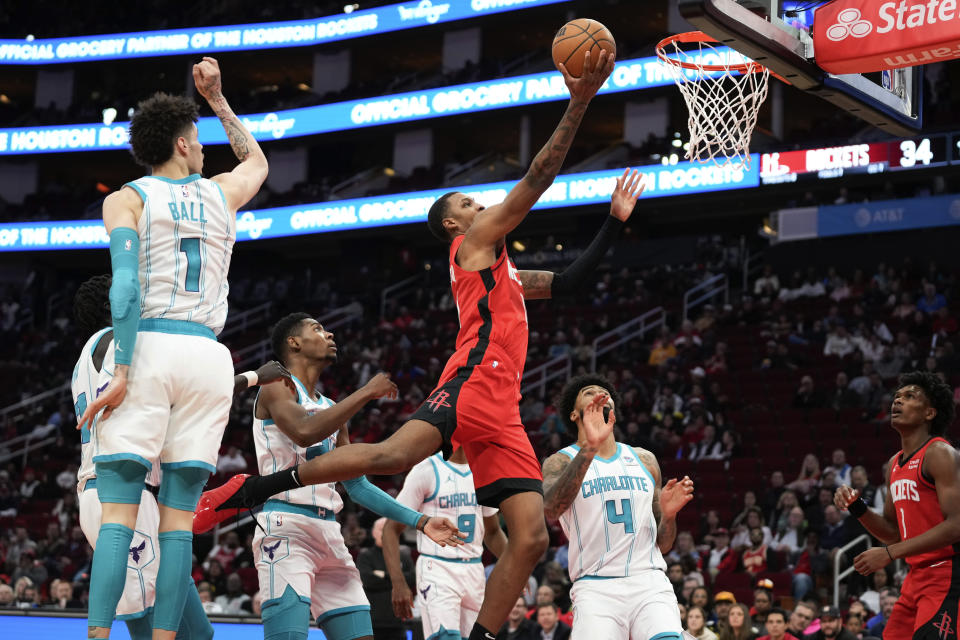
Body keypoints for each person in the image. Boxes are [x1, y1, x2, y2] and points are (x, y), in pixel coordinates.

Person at [195, 49, 625, 640]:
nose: (481, 207)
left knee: (530, 537)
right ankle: (255, 488)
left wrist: (616, 222)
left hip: (503, 404)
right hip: (472, 381)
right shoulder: (473, 244)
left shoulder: (506, 276)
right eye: (471, 204)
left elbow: (572, 281)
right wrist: (580, 102)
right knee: (392, 457)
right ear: (456, 225)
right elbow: (536, 181)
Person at [74, 56, 269, 640]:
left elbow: (127, 290)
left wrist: (124, 368)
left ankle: (97, 636)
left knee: (118, 518)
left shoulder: (127, 199)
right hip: (210, 353)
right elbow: (257, 160)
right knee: (178, 524)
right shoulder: (222, 194)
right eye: (202, 140)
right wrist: (217, 99)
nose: (205, 149)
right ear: (185, 143)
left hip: (153, 344)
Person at [212, 312, 463, 640]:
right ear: (294, 342)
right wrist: (365, 393)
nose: (329, 334)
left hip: (330, 532)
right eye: (317, 329)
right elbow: (303, 432)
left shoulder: (331, 407)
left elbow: (357, 484)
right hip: (286, 530)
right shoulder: (275, 387)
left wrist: (420, 522)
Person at [71, 275, 290, 639]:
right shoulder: (118, 345)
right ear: (114, 305)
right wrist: (251, 377)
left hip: (133, 497)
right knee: (150, 625)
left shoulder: (91, 357)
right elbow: (183, 393)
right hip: (122, 495)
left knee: (197, 634)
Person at [541, 375, 695, 640]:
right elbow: (552, 509)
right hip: (595, 587)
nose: (599, 393)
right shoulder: (560, 462)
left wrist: (669, 517)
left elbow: (664, 543)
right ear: (575, 415)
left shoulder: (645, 460)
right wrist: (589, 447)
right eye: (589, 392)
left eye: (605, 391)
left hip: (649, 580)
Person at [835, 371, 959, 639]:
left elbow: (957, 525)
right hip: (915, 578)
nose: (898, 401)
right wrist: (857, 507)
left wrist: (890, 553)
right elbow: (893, 531)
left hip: (949, 575)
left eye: (909, 396)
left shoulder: (940, 453)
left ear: (929, 413)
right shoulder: (894, 464)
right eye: (897, 396)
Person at [382, 447, 508, 640]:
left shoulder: (485, 470)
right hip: (437, 566)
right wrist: (398, 582)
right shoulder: (426, 469)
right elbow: (391, 528)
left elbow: (492, 532)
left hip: (474, 569)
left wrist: (514, 566)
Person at [357, 518, 415, 640]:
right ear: (373, 533)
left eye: (389, 530)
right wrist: (398, 580)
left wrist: (383, 575)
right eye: (381, 529)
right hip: (373, 622)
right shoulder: (366, 556)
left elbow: (412, 579)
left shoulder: (403, 556)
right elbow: (368, 580)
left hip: (398, 622)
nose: (385, 533)